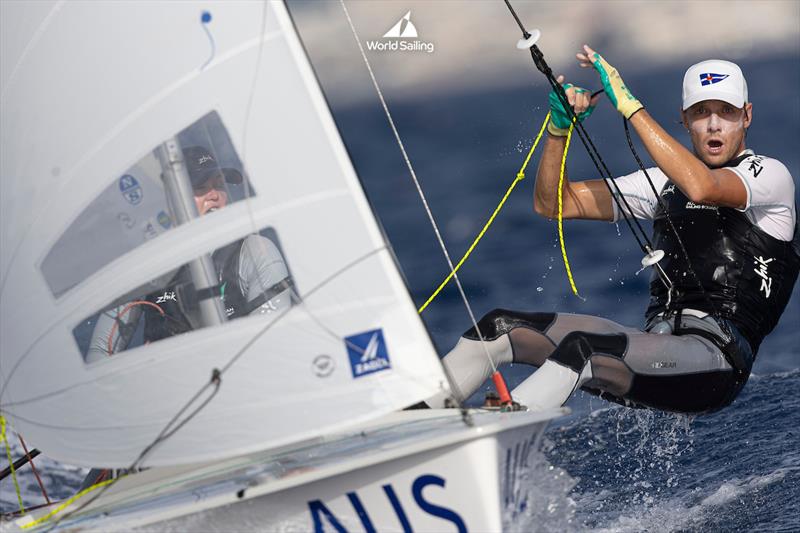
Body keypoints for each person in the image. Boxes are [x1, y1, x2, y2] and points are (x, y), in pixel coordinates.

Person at [427, 46, 798, 414]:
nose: (714, 124)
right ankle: (415, 418)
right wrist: (559, 130)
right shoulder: (660, 184)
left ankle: (500, 434)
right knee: (496, 329)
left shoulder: (770, 176)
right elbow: (555, 204)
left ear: (746, 117)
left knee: (582, 349)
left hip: (716, 364)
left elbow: (704, 188)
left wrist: (630, 106)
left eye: (726, 112)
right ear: (684, 120)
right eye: (701, 113)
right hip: (654, 352)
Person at [86, 146, 292, 362]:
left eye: (220, 185)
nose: (215, 196)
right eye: (201, 187)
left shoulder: (256, 251)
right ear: (172, 199)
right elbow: (99, 354)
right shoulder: (147, 264)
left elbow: (272, 348)